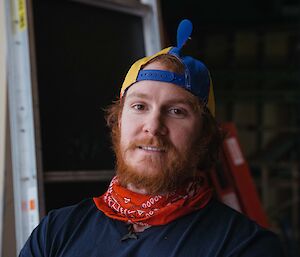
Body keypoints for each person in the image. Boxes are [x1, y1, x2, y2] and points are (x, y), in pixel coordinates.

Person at [20, 19, 284, 257]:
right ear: (119, 121)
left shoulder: (243, 247)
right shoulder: (56, 231)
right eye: (139, 106)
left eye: (176, 111)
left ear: (204, 136)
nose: (153, 126)